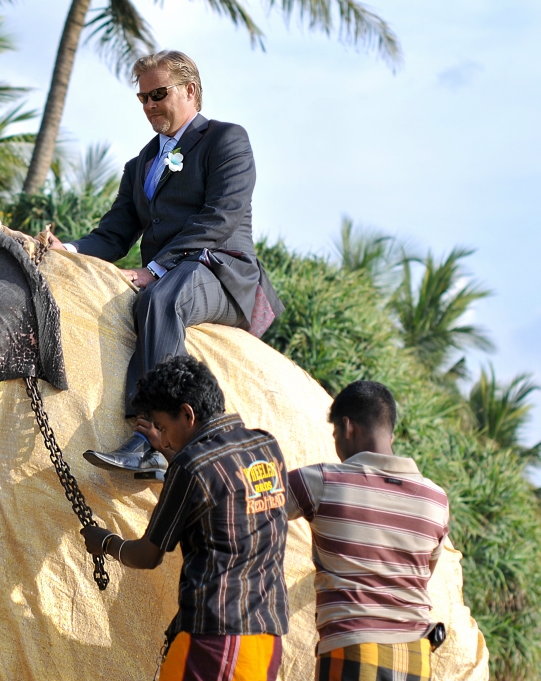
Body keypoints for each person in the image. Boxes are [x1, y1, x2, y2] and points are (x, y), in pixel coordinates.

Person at [49, 50, 282, 474]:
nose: (149, 105)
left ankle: (152, 440)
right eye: (142, 98)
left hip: (221, 271)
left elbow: (221, 216)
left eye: (158, 93)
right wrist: (69, 251)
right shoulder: (140, 164)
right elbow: (114, 234)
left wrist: (155, 269)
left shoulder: (226, 140)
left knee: (159, 299)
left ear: (190, 91)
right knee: (153, 294)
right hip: (173, 277)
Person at [82, 357, 289, 681]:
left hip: (215, 643)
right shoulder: (266, 445)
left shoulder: (191, 467)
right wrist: (171, 453)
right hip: (267, 638)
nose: (162, 441)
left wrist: (106, 542)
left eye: (163, 428)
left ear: (188, 414)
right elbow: (220, 492)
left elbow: (147, 555)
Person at [287, 381, 449, 681]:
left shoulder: (321, 482)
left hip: (353, 649)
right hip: (417, 658)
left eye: (335, 433)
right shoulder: (436, 500)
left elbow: (253, 504)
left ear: (348, 427)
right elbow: (423, 572)